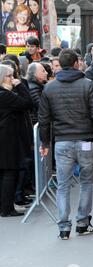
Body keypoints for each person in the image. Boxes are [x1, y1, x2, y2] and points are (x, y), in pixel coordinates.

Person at [39, 49, 93, 240]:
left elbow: (44, 119)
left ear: (58, 64)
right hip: (85, 139)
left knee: (63, 185)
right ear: (76, 63)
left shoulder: (50, 88)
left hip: (62, 142)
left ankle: (63, 227)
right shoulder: (87, 84)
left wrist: (45, 142)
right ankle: (83, 222)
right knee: (86, 182)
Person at [0, 64, 33, 217]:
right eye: (10, 76)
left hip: (6, 138)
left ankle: (5, 206)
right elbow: (27, 103)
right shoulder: (5, 95)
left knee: (6, 173)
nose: (13, 79)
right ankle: (6, 208)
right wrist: (20, 86)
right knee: (9, 173)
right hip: (7, 140)